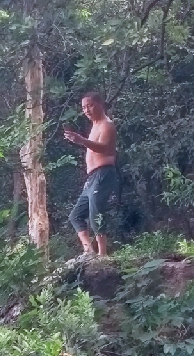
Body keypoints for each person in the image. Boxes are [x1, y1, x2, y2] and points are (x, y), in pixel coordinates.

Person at [63, 92, 118, 257]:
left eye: (90, 105)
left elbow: (106, 149)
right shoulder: (95, 125)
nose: (86, 110)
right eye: (83, 107)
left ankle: (102, 255)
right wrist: (79, 140)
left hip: (104, 173)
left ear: (100, 104)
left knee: (96, 213)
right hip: (92, 177)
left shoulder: (107, 125)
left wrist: (82, 141)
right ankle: (88, 250)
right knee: (75, 216)